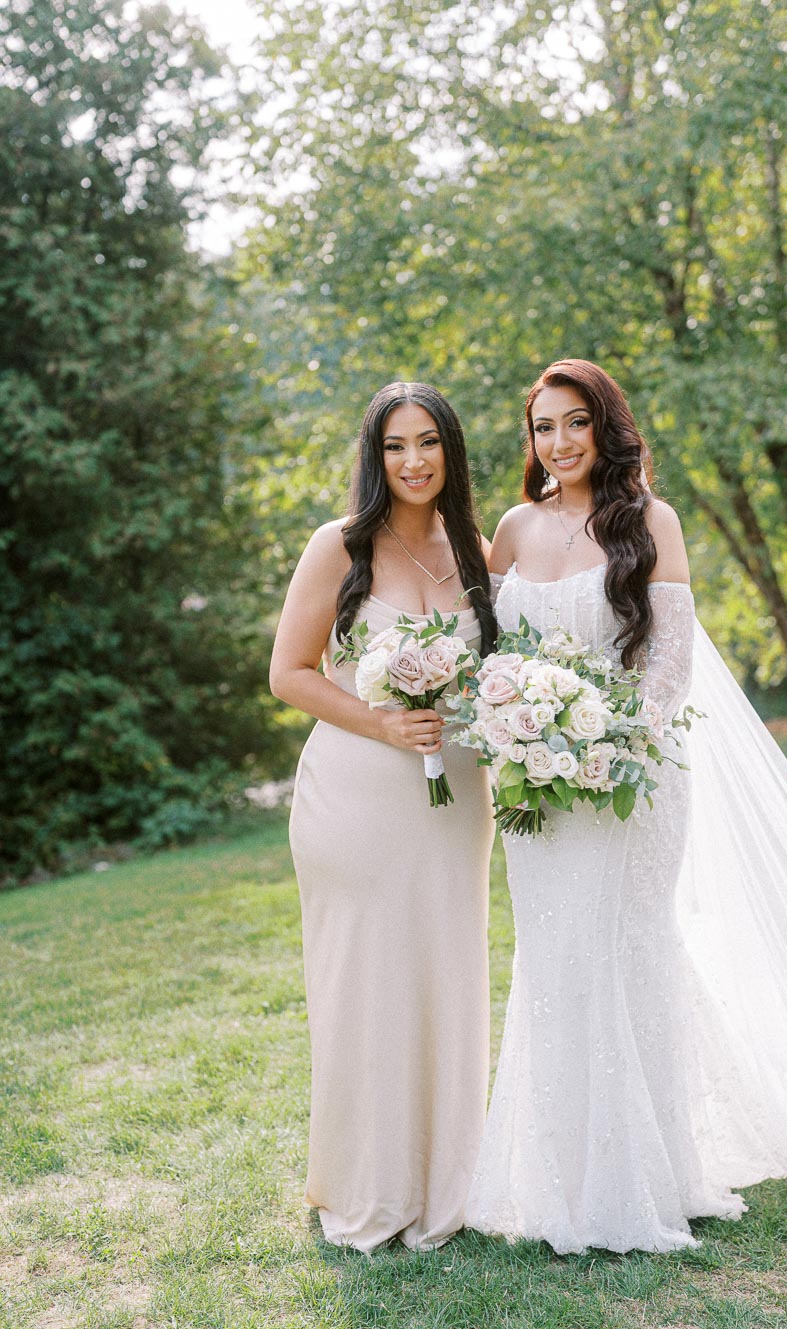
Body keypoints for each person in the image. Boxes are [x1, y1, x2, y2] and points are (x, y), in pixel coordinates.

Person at [466, 357, 787, 1254]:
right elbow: (486, 650)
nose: (559, 442)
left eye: (576, 422)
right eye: (544, 427)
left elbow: (668, 662)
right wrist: (514, 723)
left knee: (626, 953)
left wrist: (608, 743)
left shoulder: (650, 521)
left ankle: (649, 1175)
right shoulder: (511, 528)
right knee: (556, 961)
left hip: (634, 778)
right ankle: (562, 1178)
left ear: (606, 427)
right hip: (535, 789)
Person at [270, 381, 497, 1252]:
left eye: (428, 441)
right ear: (375, 457)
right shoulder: (339, 545)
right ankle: (369, 1184)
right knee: (367, 983)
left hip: (455, 798)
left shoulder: (476, 550)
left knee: (445, 974)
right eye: (396, 445)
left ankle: (447, 1182)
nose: (414, 460)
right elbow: (289, 673)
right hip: (357, 795)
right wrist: (383, 722)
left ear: (451, 451)